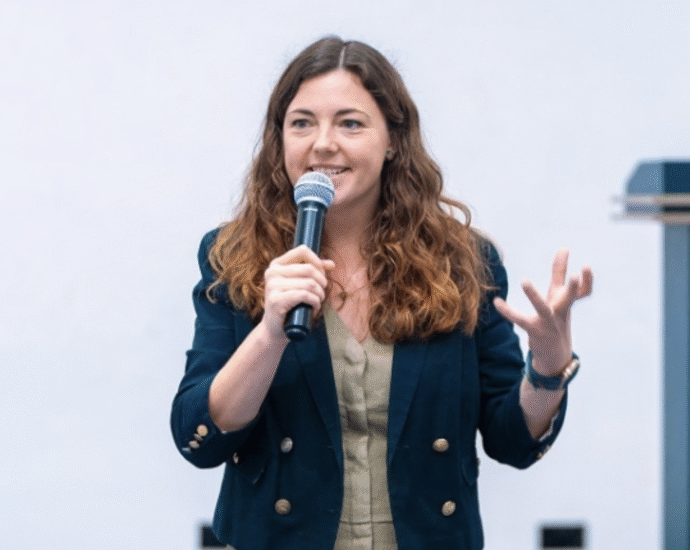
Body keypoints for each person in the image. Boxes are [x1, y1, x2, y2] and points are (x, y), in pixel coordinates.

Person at [170, 36, 593, 550]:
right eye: (301, 123)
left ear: (392, 139)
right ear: (279, 139)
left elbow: (512, 440)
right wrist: (269, 335)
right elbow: (198, 439)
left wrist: (547, 367)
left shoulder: (462, 260)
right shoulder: (232, 257)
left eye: (350, 123)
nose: (323, 143)